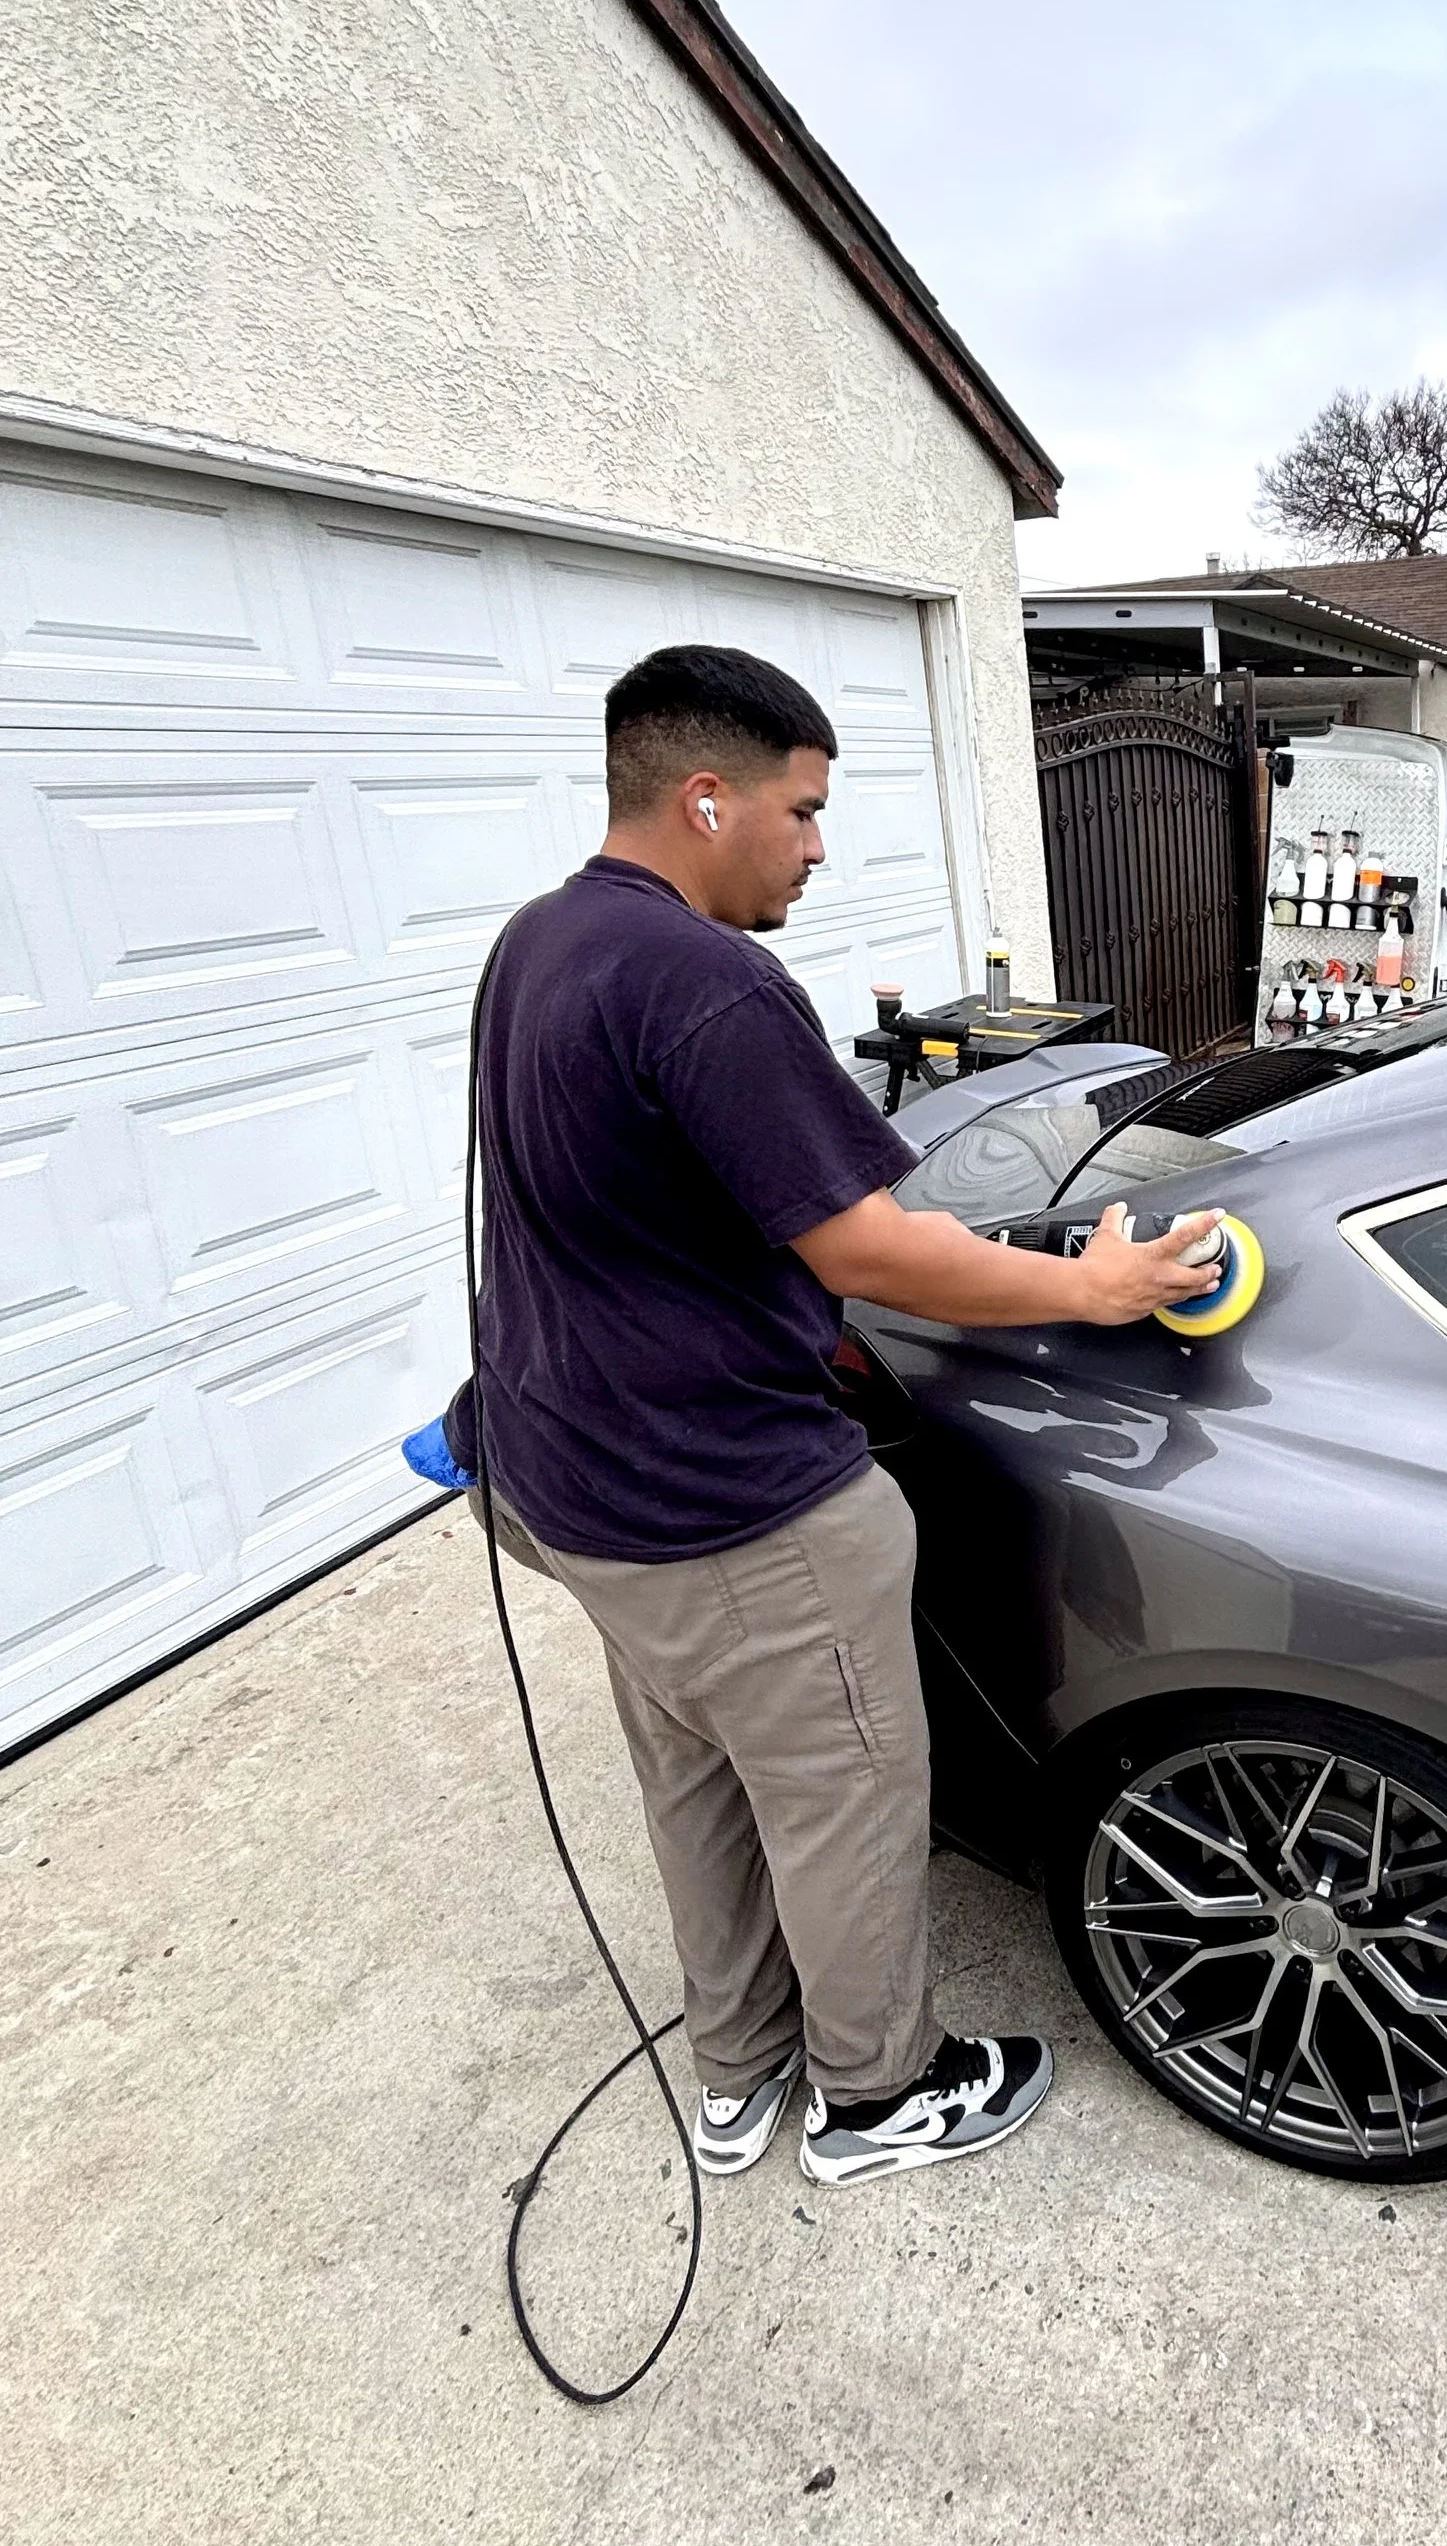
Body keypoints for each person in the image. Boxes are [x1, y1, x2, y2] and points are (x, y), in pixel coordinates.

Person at [440, 643, 1219, 2188]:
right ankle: (874, 2097)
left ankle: (736, 2078)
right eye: (800, 811)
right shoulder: (708, 980)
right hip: (724, 1506)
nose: (816, 845)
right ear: (707, 797)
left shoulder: (540, 939)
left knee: (702, 1780)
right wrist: (1092, 1294)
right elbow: (864, 1244)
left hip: (565, 1480)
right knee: (848, 1798)